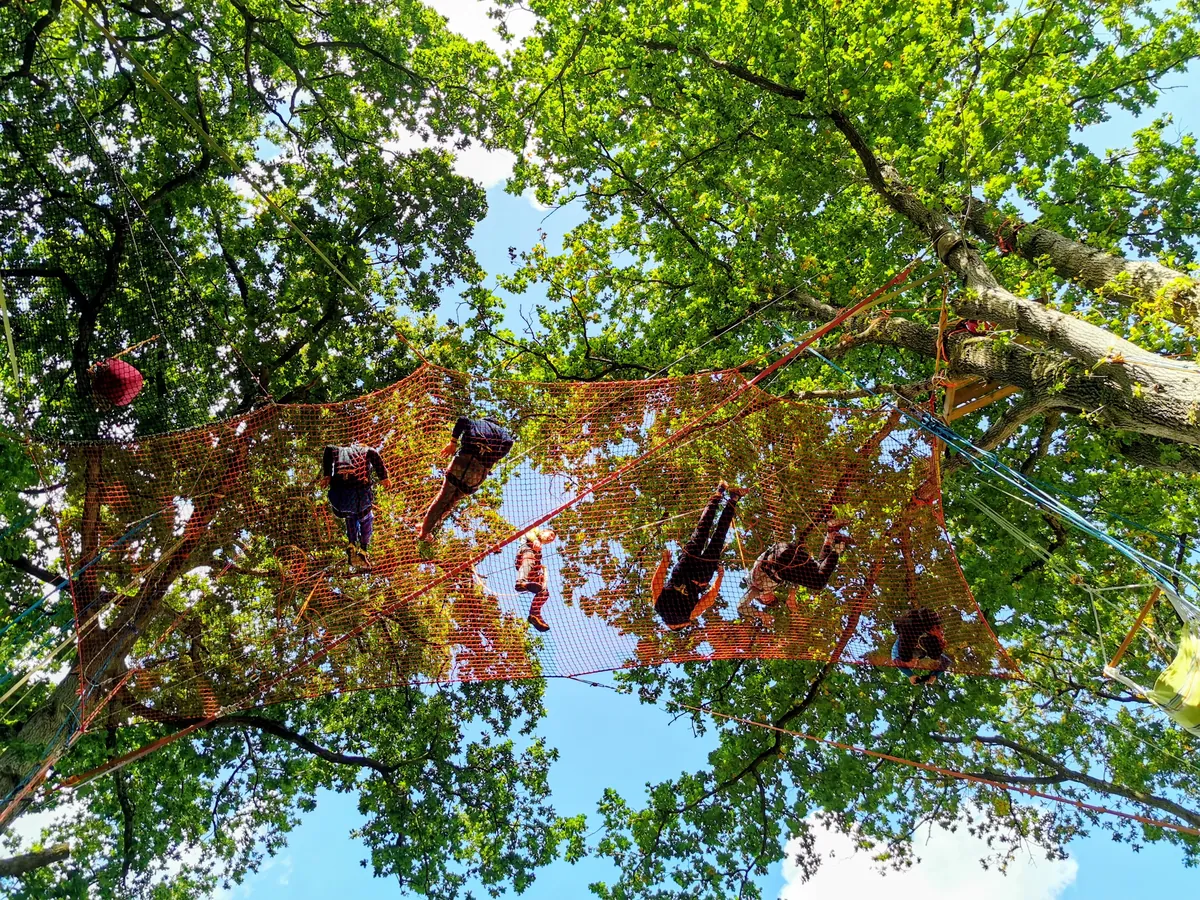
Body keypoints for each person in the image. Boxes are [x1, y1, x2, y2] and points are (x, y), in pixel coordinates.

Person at [651, 481, 745, 630]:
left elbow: (710, 598)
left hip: (699, 576)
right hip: (685, 567)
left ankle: (733, 498)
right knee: (702, 530)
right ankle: (720, 493)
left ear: (681, 626)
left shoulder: (689, 616)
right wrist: (664, 563)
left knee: (718, 536)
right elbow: (656, 583)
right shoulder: (660, 608)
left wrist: (719, 577)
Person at [417, 416, 514, 542]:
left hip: (461, 462)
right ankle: (426, 528)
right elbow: (509, 442)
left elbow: (462, 419)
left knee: (443, 497)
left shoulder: (476, 422)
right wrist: (492, 459)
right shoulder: (502, 432)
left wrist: (453, 442)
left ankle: (424, 530)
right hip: (478, 471)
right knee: (452, 501)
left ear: (485, 420)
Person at [739, 519, 852, 614]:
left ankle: (838, 544)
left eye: (768, 601)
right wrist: (792, 593)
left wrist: (761, 615)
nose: (771, 597)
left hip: (779, 562)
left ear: (760, 600)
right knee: (819, 568)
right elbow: (796, 577)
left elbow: (741, 607)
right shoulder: (762, 582)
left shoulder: (757, 590)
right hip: (785, 549)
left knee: (819, 583)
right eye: (772, 598)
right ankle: (831, 534)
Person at [321, 443, 388, 567]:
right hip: (360, 496)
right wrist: (383, 477)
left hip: (341, 501)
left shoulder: (338, 450)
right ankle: (363, 549)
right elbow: (374, 454)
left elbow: (328, 448)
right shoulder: (366, 450)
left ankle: (352, 543)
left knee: (351, 516)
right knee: (366, 519)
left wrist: (327, 475)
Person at [892, 607, 952, 684]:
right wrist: (935, 675)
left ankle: (923, 620)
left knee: (905, 656)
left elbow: (896, 661)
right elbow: (947, 661)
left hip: (912, 633)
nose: (915, 664)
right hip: (920, 631)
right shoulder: (926, 650)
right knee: (932, 653)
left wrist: (910, 675)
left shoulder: (901, 652)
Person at [516, 528, 558, 632]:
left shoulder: (539, 550)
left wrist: (542, 577)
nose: (551, 538)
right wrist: (534, 540)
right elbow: (528, 532)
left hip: (532, 570)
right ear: (543, 531)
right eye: (551, 534)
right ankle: (520, 582)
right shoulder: (535, 531)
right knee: (530, 556)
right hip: (525, 556)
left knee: (544, 592)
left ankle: (534, 614)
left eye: (552, 539)